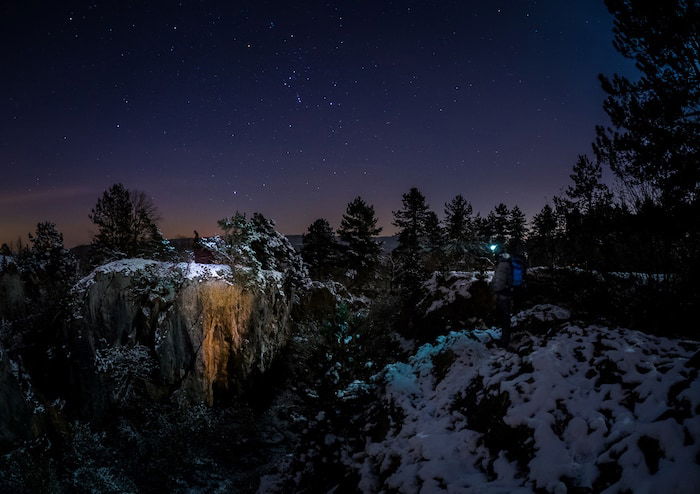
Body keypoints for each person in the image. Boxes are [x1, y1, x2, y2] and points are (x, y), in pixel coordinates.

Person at [491, 252, 513, 347]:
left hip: (503, 295)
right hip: (508, 293)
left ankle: (504, 342)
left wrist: (494, 291)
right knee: (506, 317)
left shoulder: (502, 266)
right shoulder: (508, 265)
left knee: (505, 318)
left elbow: (500, 281)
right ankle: (505, 338)